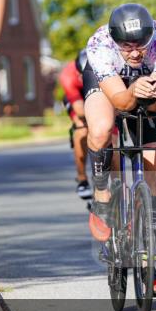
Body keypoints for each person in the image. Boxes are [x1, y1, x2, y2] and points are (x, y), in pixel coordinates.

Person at [83, 3, 156, 296]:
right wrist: (133, 89)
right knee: (101, 131)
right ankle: (102, 193)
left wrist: (148, 93)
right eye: (127, 46)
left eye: (142, 45)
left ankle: (147, 257)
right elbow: (122, 103)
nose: (136, 52)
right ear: (115, 41)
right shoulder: (100, 44)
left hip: (149, 89)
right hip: (109, 86)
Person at [59, 49, 92, 200]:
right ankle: (82, 178)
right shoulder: (68, 75)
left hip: (100, 89)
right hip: (78, 98)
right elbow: (80, 111)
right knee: (82, 129)